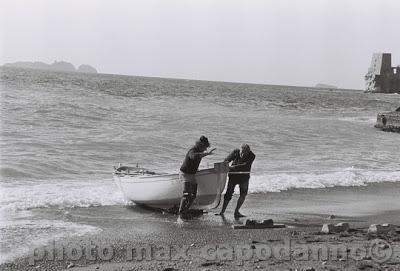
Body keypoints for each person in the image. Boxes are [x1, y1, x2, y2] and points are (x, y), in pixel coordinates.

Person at [177, 136, 215, 223]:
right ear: (200, 145)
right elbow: (194, 157)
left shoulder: (199, 151)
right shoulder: (192, 151)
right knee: (186, 194)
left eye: (206, 148)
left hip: (192, 175)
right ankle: (180, 214)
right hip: (185, 174)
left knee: (193, 196)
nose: (205, 149)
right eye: (205, 147)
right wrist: (207, 154)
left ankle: (184, 211)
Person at [217, 144, 255, 218]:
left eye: (244, 153)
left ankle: (236, 211)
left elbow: (245, 165)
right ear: (240, 150)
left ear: (248, 152)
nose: (242, 154)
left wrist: (232, 167)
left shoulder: (252, 155)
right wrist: (224, 166)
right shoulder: (235, 152)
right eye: (241, 152)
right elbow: (227, 160)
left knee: (243, 194)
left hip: (244, 177)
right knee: (228, 193)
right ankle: (222, 211)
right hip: (233, 176)